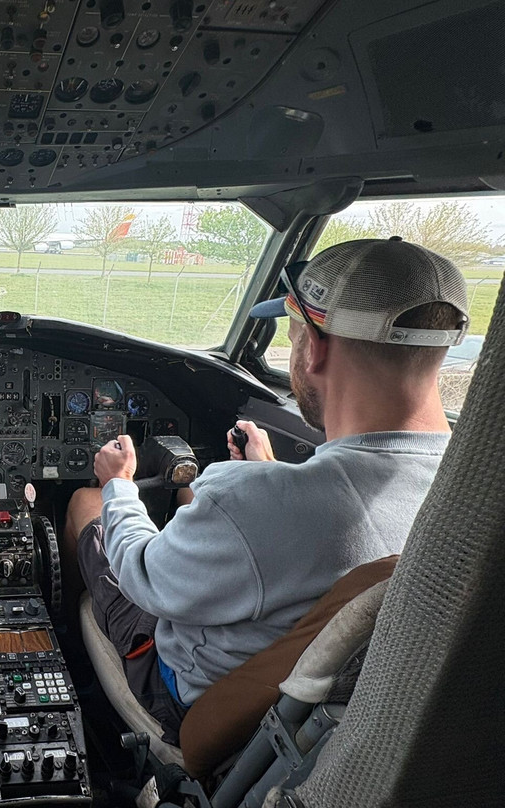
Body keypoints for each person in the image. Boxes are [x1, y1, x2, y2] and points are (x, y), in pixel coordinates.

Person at [64, 237, 469, 742]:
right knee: (191, 498)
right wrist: (270, 472)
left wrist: (119, 484)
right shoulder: (468, 492)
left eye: (294, 335)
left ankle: (76, 677)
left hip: (195, 697)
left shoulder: (259, 500)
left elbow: (144, 578)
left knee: (87, 504)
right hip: (338, 715)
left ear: (315, 348)